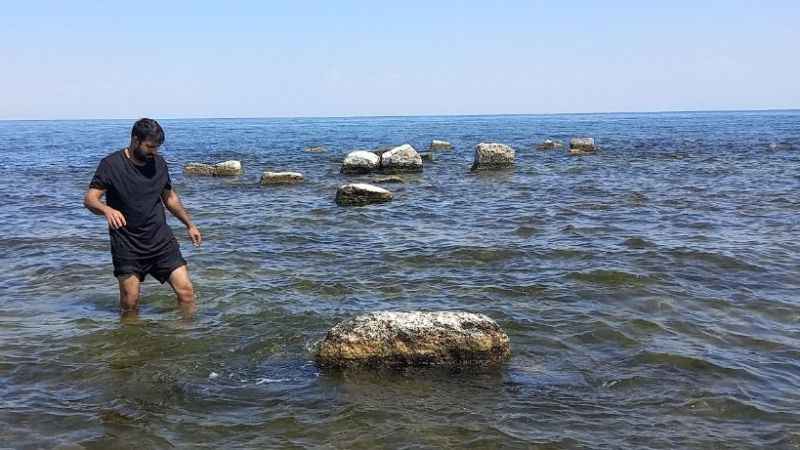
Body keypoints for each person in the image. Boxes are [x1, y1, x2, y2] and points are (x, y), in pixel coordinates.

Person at [83, 118, 202, 316]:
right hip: (127, 244)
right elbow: (90, 199)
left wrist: (190, 224)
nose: (153, 152)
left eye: (156, 147)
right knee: (130, 303)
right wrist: (107, 210)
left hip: (161, 241)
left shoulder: (159, 163)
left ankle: (186, 337)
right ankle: (131, 343)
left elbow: (169, 198)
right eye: (149, 146)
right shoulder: (111, 165)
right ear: (135, 139)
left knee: (186, 292)